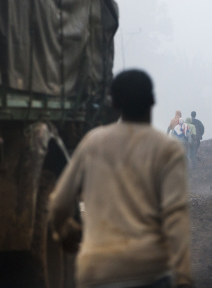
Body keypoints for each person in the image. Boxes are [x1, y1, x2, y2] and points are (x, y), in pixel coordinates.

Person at [48, 69, 193, 288]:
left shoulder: (92, 143)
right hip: (149, 271)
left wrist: (65, 233)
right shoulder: (168, 149)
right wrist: (183, 277)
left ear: (114, 104)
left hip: (96, 272)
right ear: (152, 101)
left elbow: (59, 203)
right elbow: (175, 216)